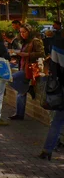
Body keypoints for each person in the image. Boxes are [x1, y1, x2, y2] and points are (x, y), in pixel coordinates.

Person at [9, 23, 45, 120]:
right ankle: (19, 114)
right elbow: (22, 55)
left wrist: (26, 54)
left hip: (30, 68)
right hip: (23, 67)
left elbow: (42, 53)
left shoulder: (36, 41)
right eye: (21, 32)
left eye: (24, 32)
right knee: (21, 93)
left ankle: (27, 89)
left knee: (10, 78)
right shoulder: (24, 42)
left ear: (29, 31)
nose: (22, 34)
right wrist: (15, 55)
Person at [39, 29, 64, 161]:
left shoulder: (57, 44)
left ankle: (47, 150)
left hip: (61, 88)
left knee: (57, 121)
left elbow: (53, 69)